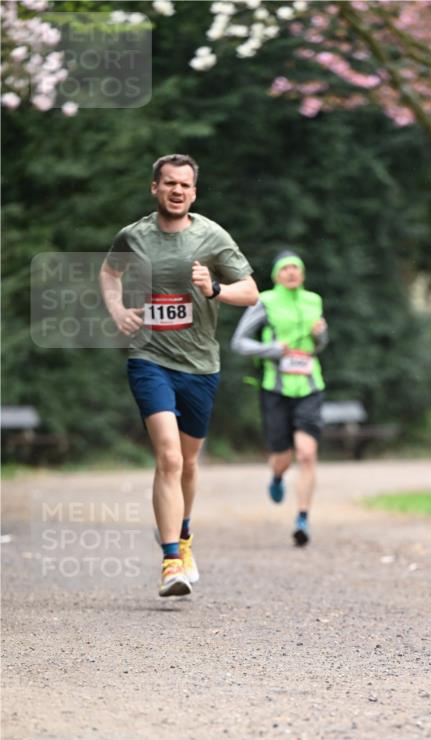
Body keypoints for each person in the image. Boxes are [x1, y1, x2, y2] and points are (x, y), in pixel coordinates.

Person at [100, 154, 258, 597]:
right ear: (155, 188)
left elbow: (251, 292)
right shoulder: (134, 235)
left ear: (194, 191)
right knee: (168, 456)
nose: (177, 191)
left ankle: (183, 536)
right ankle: (171, 562)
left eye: (185, 185)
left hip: (201, 365)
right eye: (169, 183)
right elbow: (109, 272)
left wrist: (215, 289)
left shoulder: (212, 236)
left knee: (187, 462)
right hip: (149, 358)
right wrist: (117, 310)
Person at [231, 250, 328, 546]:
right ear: (276, 275)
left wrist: (321, 335)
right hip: (275, 387)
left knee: (307, 454)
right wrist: (272, 349)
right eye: (284, 269)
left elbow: (320, 345)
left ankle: (302, 519)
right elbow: (239, 343)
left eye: (295, 268)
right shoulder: (264, 301)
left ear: (302, 274)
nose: (290, 273)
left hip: (310, 385)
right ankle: (276, 477)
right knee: (283, 458)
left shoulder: (314, 300)